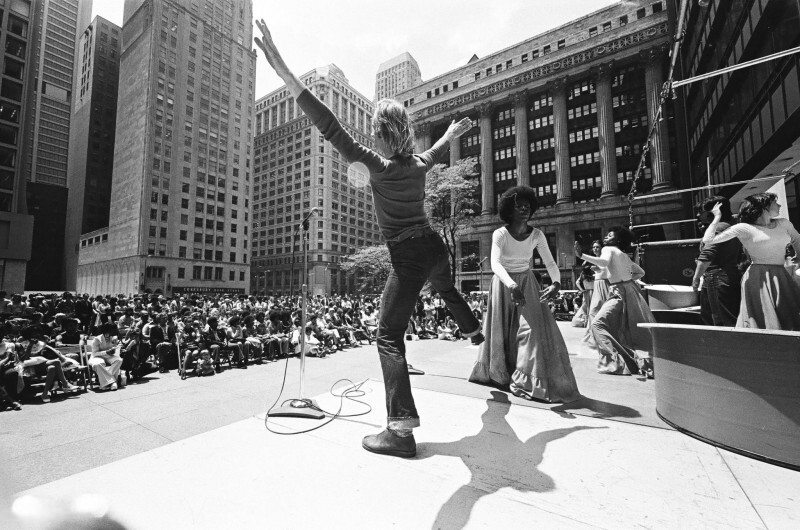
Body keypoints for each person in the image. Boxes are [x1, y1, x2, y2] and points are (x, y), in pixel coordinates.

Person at [255, 19, 484, 458]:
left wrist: (284, 71)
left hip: (409, 253)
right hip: (436, 248)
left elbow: (330, 125)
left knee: (387, 337)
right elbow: (437, 152)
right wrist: (454, 132)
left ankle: (399, 430)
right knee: (448, 289)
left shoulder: (377, 165)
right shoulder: (418, 163)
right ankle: (474, 332)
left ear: (380, 133)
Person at [469, 186, 580, 403]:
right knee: (502, 331)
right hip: (503, 283)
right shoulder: (500, 233)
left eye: (528, 207)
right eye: (520, 207)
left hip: (527, 283)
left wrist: (556, 282)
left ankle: (526, 381)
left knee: (531, 331)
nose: (525, 210)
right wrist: (511, 285)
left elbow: (549, 261)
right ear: (510, 210)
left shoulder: (536, 235)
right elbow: (495, 263)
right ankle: (501, 371)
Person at [702, 192, 800, 330]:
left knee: (789, 316)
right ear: (763, 207)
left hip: (781, 275)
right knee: (763, 319)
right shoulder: (744, 228)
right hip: (759, 278)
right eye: (775, 203)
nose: (779, 205)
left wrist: (799, 258)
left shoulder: (784, 223)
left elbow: (797, 240)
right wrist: (717, 217)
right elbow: (708, 240)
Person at [574, 227, 655, 377]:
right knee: (629, 329)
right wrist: (626, 279)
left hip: (618, 291)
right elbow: (640, 272)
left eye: (610, 235)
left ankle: (618, 362)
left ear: (617, 240)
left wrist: (582, 255)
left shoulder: (608, 248)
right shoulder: (623, 254)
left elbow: (604, 262)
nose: (605, 237)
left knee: (598, 324)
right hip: (631, 290)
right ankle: (639, 362)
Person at [691, 196, 744, 326]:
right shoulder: (731, 226)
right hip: (729, 275)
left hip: (716, 278)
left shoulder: (718, 228)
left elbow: (707, 255)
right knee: (729, 317)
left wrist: (696, 278)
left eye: (701, 211)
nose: (698, 215)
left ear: (712, 212)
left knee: (718, 321)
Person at [89, 322, 124, 391]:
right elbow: (95, 353)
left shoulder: (113, 338)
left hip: (108, 356)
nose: (115, 331)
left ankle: (107, 381)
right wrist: (106, 352)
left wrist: (114, 350)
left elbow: (114, 347)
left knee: (119, 360)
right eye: (114, 329)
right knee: (98, 364)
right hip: (97, 357)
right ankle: (113, 382)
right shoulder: (97, 339)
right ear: (108, 330)